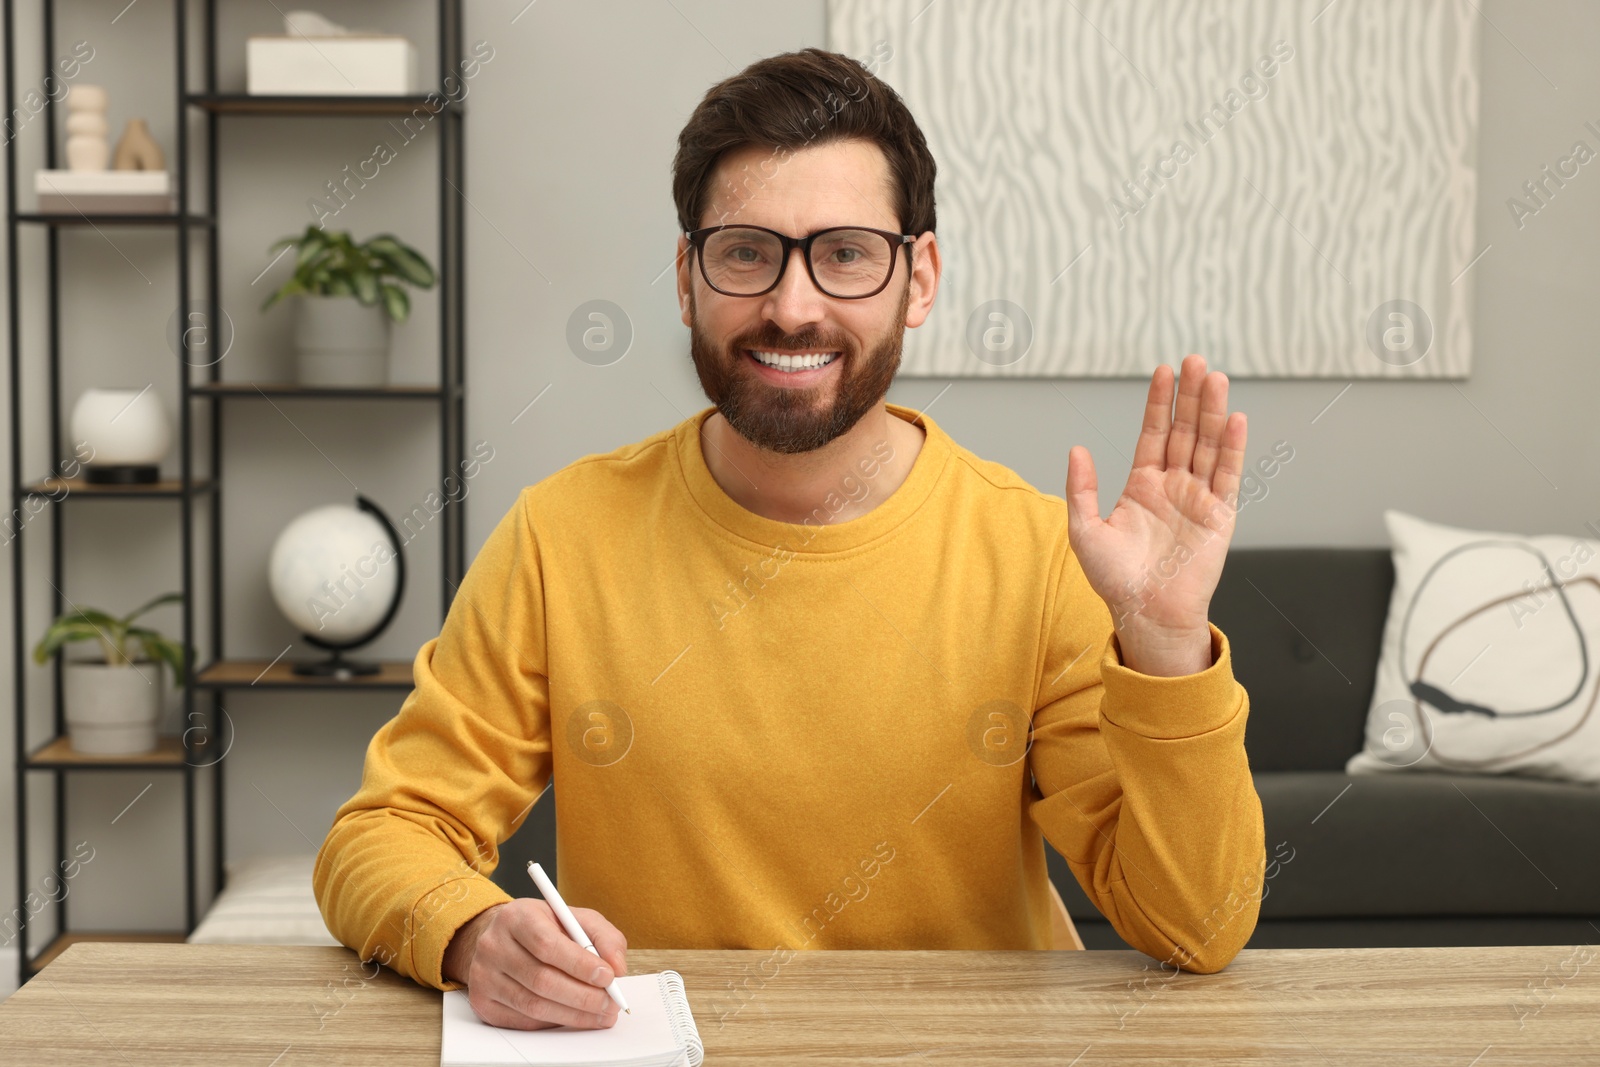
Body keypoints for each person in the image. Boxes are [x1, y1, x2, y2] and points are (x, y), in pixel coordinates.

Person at [313, 46, 1265, 1033]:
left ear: (919, 278)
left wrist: (1161, 642)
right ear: (688, 277)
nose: (792, 305)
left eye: (845, 252)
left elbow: (1195, 926)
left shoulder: (1032, 554)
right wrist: (472, 932)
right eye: (746, 251)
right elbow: (384, 831)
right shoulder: (561, 534)